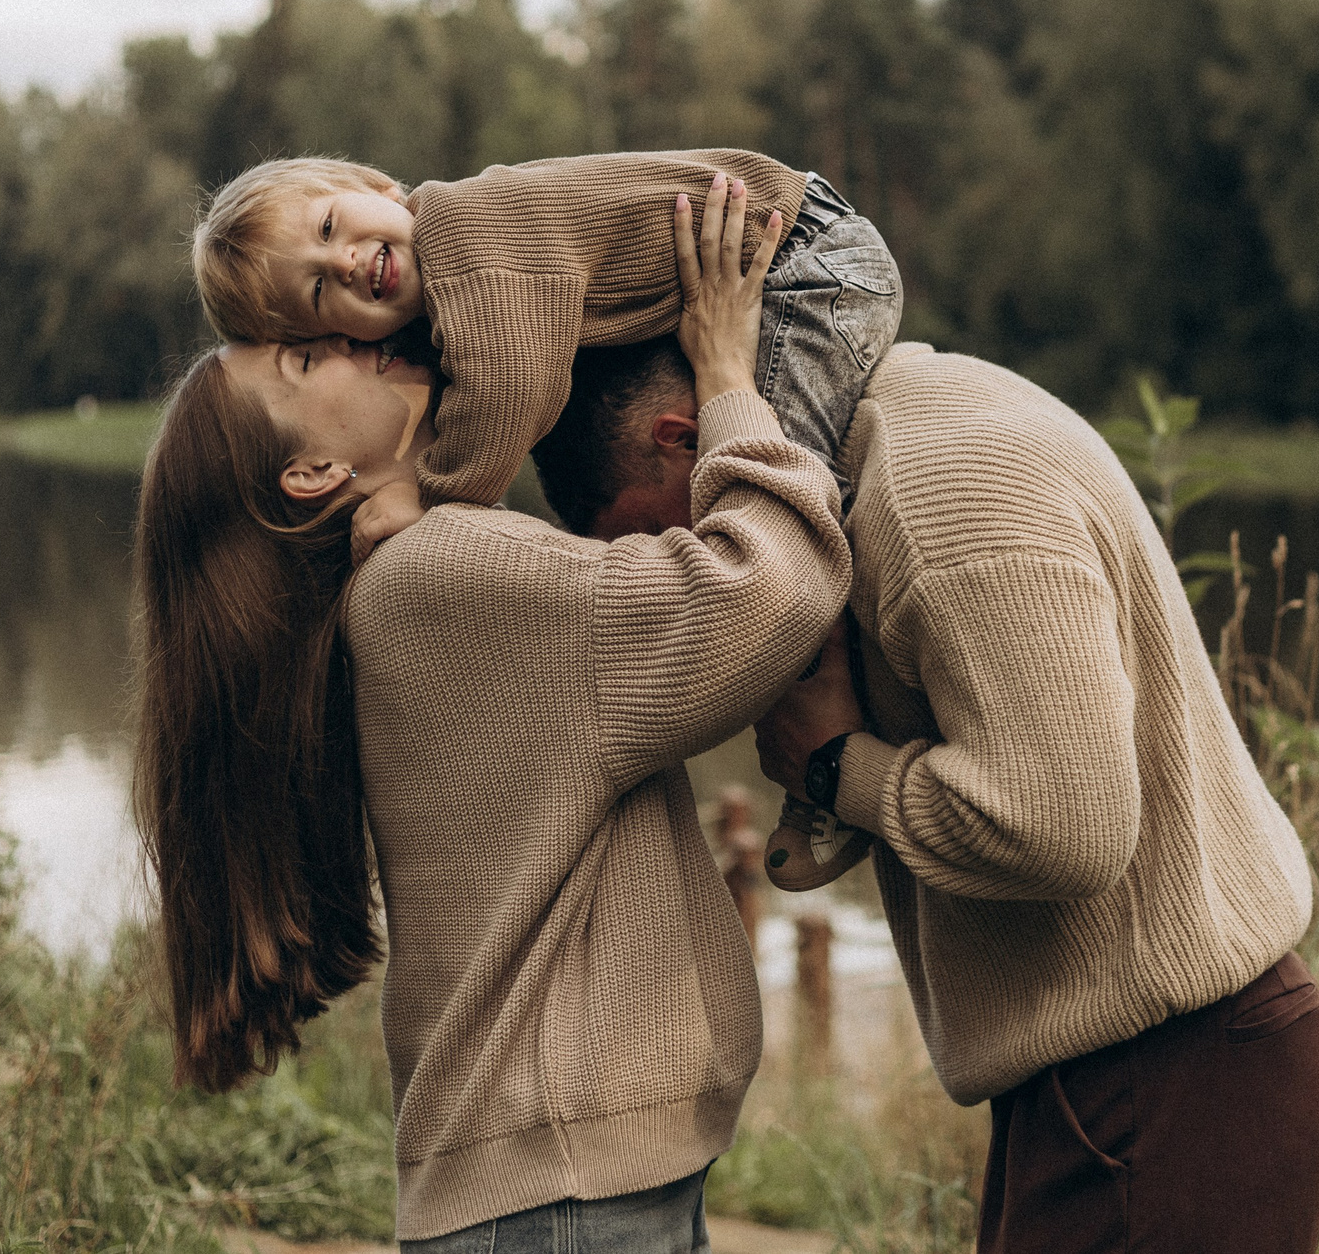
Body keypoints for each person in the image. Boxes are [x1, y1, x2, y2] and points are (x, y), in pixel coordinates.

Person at [131, 177, 851, 1249]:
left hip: (562, 1186)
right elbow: (766, 595)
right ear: (314, 468)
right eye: (303, 355)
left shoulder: (400, 578)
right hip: (565, 1198)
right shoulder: (437, 575)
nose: (340, 333)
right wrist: (729, 374)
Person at [534, 337, 1319, 1254]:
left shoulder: (934, 488)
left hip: (1167, 1083)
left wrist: (840, 764)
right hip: (1124, 1077)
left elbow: (1067, 826)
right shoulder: (884, 447)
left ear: (683, 441)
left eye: (663, 538)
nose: (693, 571)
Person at [191, 147, 901, 885]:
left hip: (806, 264)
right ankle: (834, 745)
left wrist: (428, 492)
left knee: (792, 490)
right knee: (772, 493)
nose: (342, 262)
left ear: (376, 186)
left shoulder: (467, 234)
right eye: (315, 295)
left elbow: (515, 388)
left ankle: (833, 744)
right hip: (798, 250)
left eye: (332, 224)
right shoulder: (453, 289)